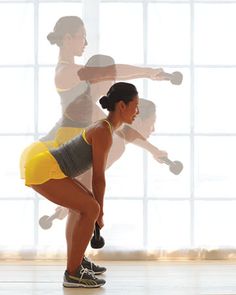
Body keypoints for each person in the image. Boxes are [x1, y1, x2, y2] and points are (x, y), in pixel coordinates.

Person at [24, 82, 140, 288]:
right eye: (135, 105)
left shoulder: (105, 128)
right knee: (91, 208)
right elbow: (98, 177)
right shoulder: (103, 131)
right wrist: (100, 212)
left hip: (50, 167)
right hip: (44, 168)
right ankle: (73, 273)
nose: (137, 111)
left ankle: (76, 261)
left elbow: (92, 177)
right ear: (122, 105)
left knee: (80, 209)